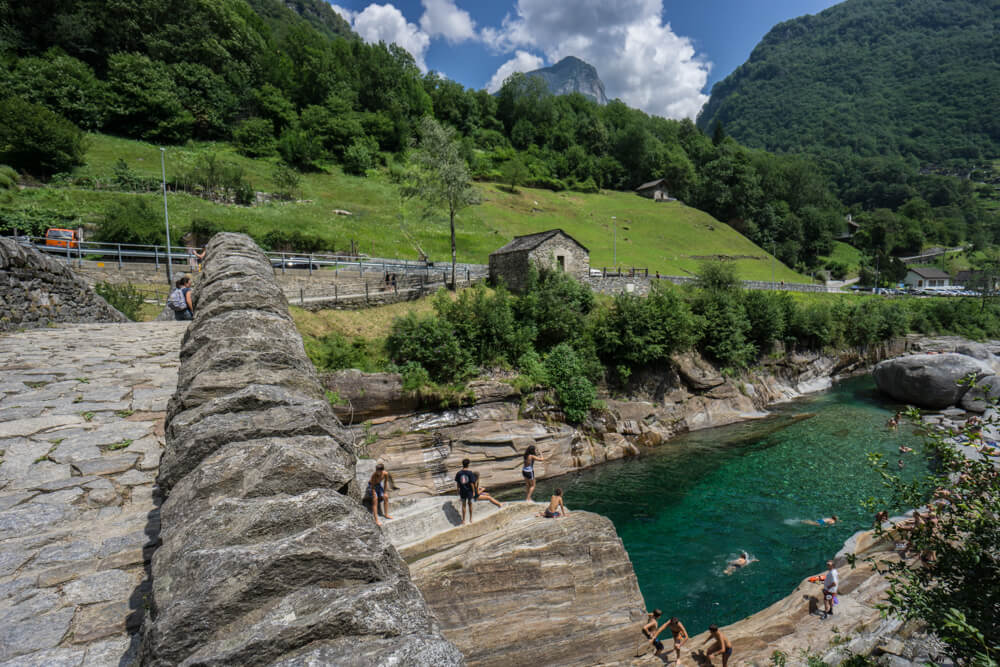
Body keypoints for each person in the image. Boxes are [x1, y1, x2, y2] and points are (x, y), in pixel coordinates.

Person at [454, 458, 479, 525]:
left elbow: (458, 483)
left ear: (462, 464)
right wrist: (474, 492)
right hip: (469, 491)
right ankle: (471, 519)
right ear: (468, 464)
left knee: (463, 505)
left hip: (462, 491)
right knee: (470, 504)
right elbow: (471, 483)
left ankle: (463, 520)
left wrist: (458, 490)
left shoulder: (459, 473)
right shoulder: (470, 473)